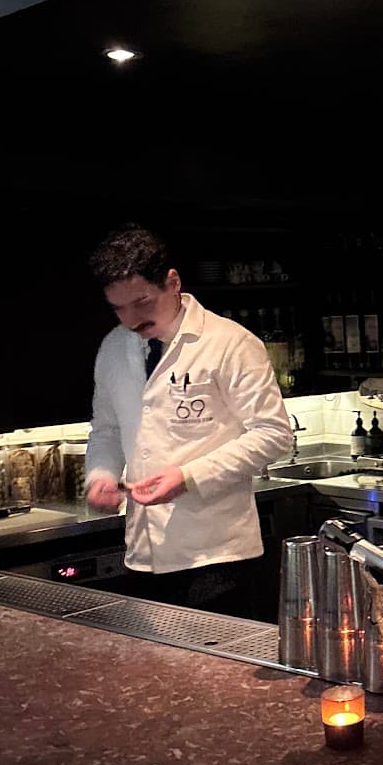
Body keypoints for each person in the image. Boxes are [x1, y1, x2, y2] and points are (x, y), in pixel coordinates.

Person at [85, 224, 293, 617]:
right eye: (118, 308)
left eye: (142, 302)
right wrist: (101, 476)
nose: (131, 319)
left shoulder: (230, 343)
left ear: (172, 283)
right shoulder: (113, 347)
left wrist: (188, 476)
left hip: (218, 557)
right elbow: (107, 431)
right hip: (143, 554)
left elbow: (273, 434)